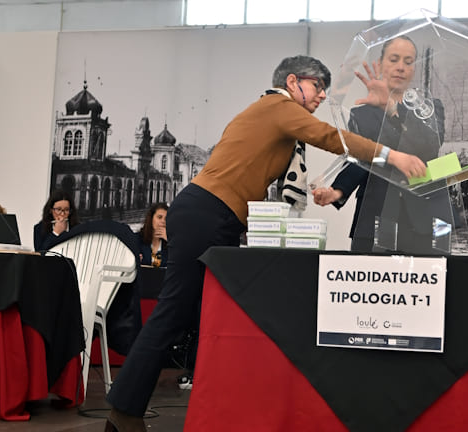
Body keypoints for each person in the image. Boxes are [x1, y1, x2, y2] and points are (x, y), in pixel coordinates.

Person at [104, 55, 426, 432]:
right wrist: (393, 155)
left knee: (214, 313)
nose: (322, 95)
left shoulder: (268, 114)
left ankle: (219, 406)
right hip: (207, 214)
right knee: (174, 311)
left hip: (214, 216)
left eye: (325, 88)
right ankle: (124, 412)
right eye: (317, 85)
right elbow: (331, 137)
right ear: (292, 82)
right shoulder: (278, 107)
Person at [312, 36, 452, 254]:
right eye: (394, 60)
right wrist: (337, 190)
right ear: (380, 63)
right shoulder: (361, 114)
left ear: (414, 69)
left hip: (424, 217)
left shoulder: (430, 109)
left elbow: (430, 147)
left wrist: (392, 109)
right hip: (375, 213)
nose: (400, 67)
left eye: (408, 62)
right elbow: (360, 158)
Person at [137, 203, 168, 267]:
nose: (163, 221)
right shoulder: (137, 239)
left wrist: (168, 240)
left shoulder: (171, 243)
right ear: (151, 218)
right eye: (159, 217)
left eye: (166, 219)